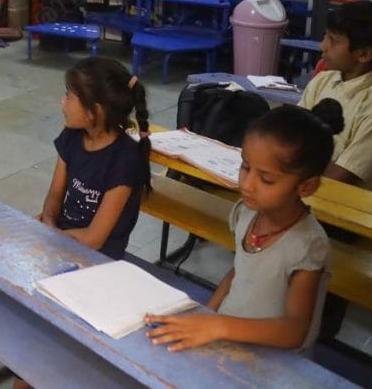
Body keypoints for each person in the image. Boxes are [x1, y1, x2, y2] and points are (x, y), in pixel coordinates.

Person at [146, 101, 343, 354]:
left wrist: (218, 326)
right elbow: (239, 271)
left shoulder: (308, 245)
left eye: (267, 179)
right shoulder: (246, 212)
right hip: (229, 336)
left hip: (273, 359)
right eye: (245, 167)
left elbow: (295, 331)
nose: (247, 185)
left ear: (306, 187)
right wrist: (209, 313)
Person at [37, 56, 151, 260]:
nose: (62, 101)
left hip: (98, 257)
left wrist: (53, 240)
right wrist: (49, 224)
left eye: (69, 96)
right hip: (62, 237)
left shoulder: (125, 160)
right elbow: (54, 195)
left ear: (93, 112)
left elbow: (94, 239)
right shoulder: (72, 136)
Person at [298, 2, 372, 193]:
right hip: (304, 190)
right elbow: (292, 137)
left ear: (363, 54)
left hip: (340, 208)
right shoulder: (323, 80)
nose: (323, 46)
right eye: (325, 36)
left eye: (334, 40)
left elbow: (338, 178)